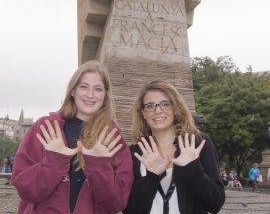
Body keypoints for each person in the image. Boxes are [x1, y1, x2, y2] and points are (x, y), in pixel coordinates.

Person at [11, 60, 133, 214]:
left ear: (105, 96)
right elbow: (27, 191)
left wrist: (100, 165)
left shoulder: (113, 138)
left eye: (98, 89)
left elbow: (117, 203)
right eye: (83, 87)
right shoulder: (45, 128)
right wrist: (53, 162)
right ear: (73, 91)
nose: (90, 95)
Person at [123, 80, 225, 214]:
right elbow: (130, 210)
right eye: (150, 106)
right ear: (143, 112)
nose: (157, 110)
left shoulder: (198, 143)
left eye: (165, 104)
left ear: (175, 109)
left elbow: (214, 204)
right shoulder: (135, 153)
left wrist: (193, 169)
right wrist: (152, 177)